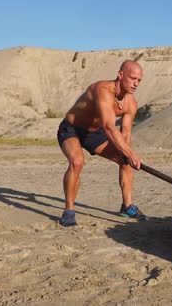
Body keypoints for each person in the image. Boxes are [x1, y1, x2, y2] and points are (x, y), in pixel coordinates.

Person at [56, 60, 146, 226]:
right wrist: (131, 154)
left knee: (124, 161)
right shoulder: (102, 90)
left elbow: (125, 133)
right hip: (72, 129)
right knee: (77, 162)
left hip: (94, 134)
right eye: (133, 78)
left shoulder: (130, 103)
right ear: (120, 75)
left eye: (139, 80)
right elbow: (109, 127)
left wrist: (127, 155)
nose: (136, 84)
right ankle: (69, 211)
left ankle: (127, 206)